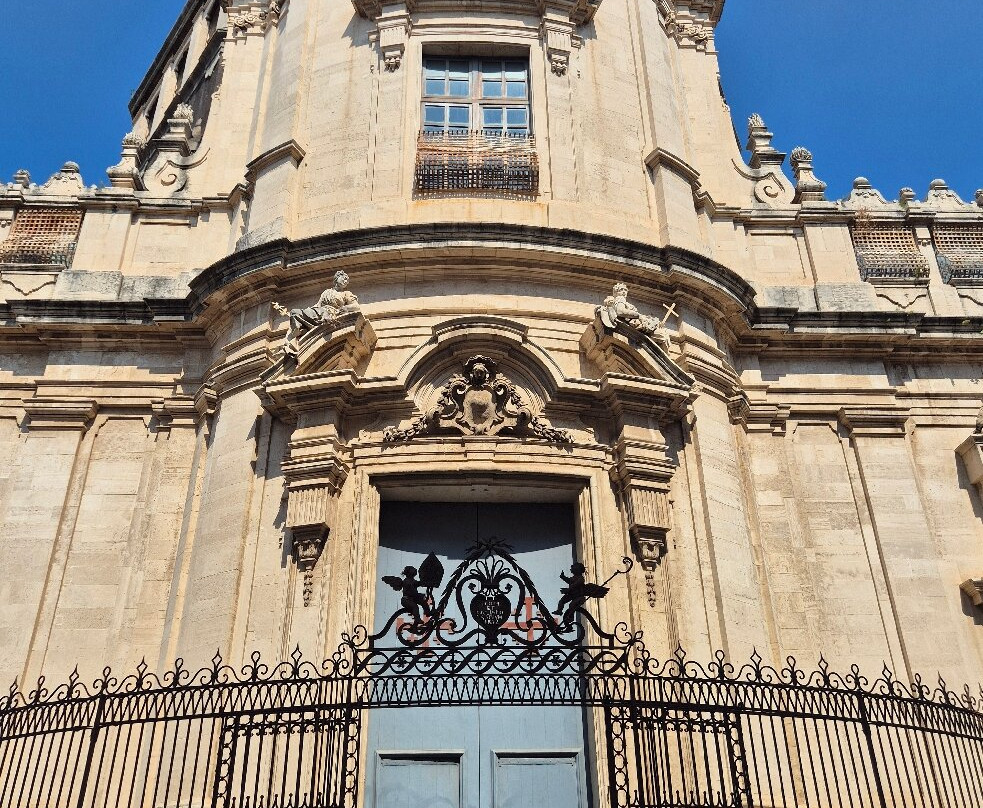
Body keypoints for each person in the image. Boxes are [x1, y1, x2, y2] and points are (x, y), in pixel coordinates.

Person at [273, 270, 360, 356]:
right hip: (320, 311)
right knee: (295, 312)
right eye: (344, 278)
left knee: (316, 313)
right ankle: (294, 336)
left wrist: (344, 308)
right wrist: (306, 313)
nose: (345, 282)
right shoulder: (327, 291)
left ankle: (300, 332)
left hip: (330, 313)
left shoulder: (346, 293)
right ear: (337, 278)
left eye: (347, 281)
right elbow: (318, 305)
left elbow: (356, 306)